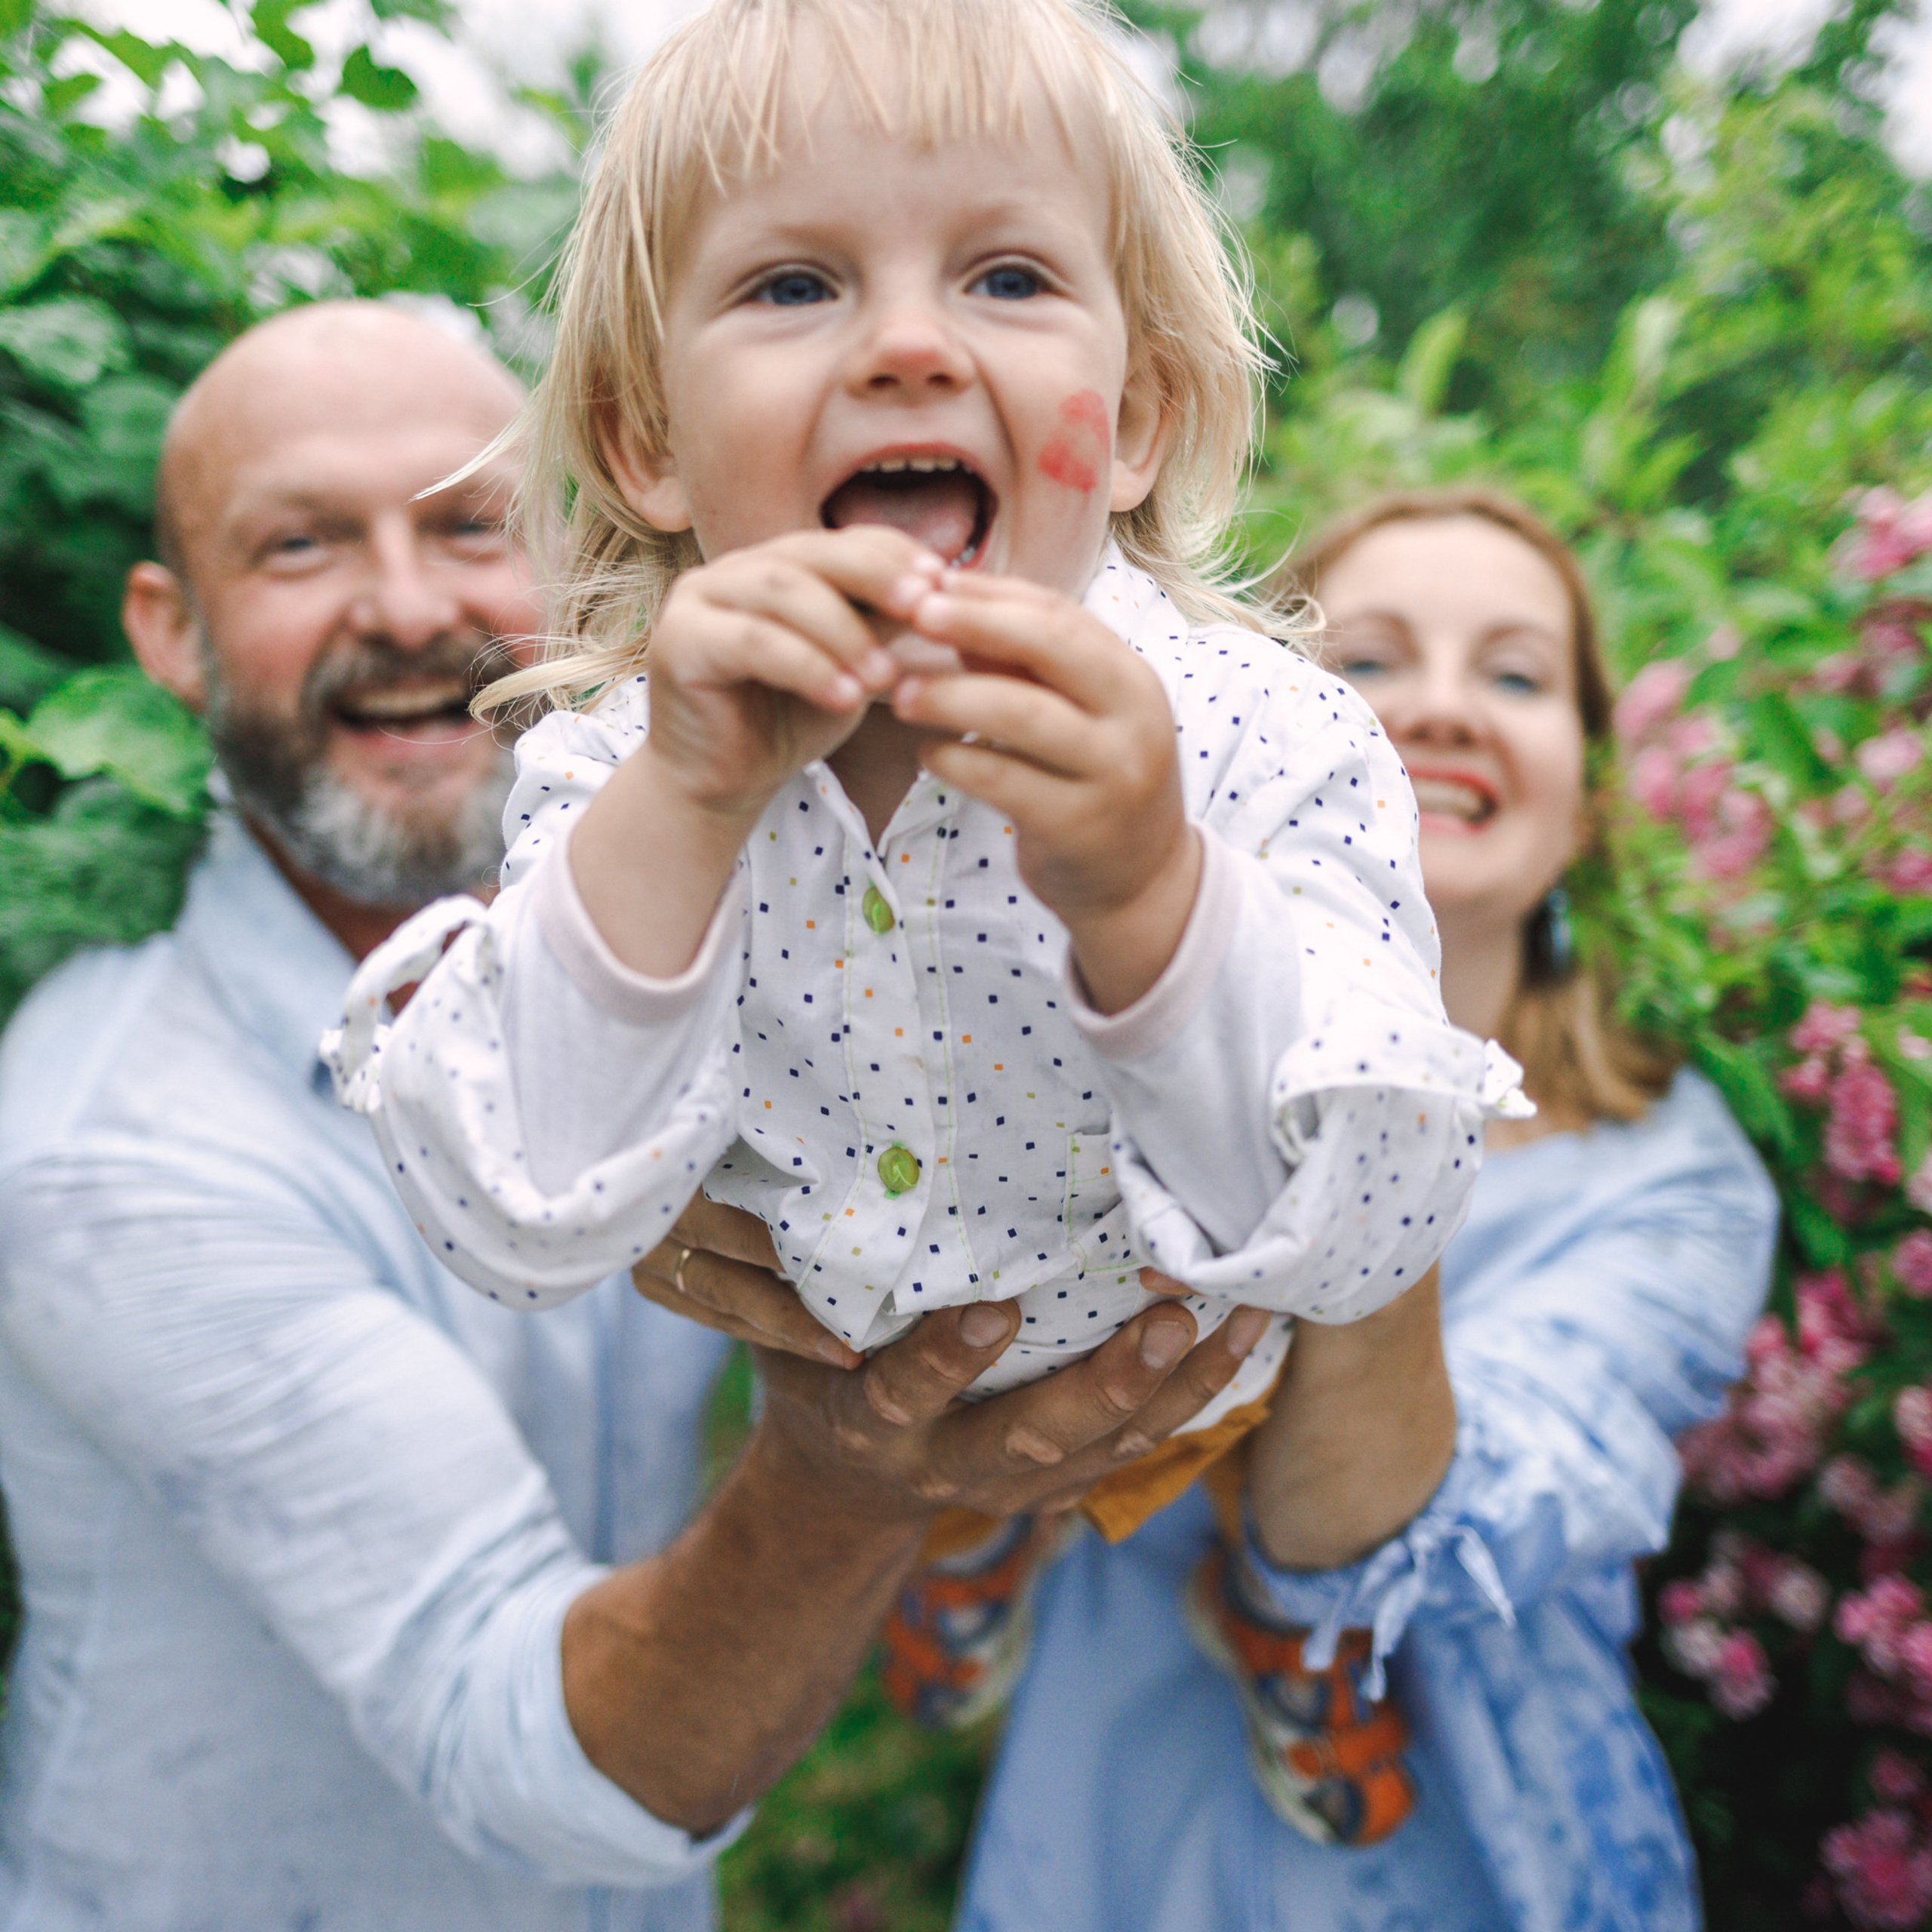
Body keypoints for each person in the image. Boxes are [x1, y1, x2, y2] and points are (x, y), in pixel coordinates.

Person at [0, 298, 1265, 1932]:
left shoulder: (757, 939)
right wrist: (848, 1471)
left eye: (470, 523)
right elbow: (524, 1750)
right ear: (169, 632)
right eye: (300, 546)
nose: (406, 608)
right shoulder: (110, 1147)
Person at [325, 0, 1524, 1645]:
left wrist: (1149, 894)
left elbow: (1371, 1223)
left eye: (1006, 278)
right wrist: (685, 804)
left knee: (1304, 1547)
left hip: (1210, 1388)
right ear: (647, 441)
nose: (906, 346)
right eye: (793, 284)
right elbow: (508, 1207)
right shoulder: (620, 765)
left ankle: (1293, 1633)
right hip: (868, 1391)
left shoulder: (1262, 734)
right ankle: (959, 1571)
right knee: (953, 1544)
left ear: (1141, 420)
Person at [648, 486, 1781, 1927]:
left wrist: (1370, 1127)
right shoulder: (1089, 1015)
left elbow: (1469, 1536)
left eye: (1515, 673)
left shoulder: (1671, 1182)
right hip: (1100, 1855)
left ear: (1593, 790)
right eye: (1365, 665)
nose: (1438, 710)